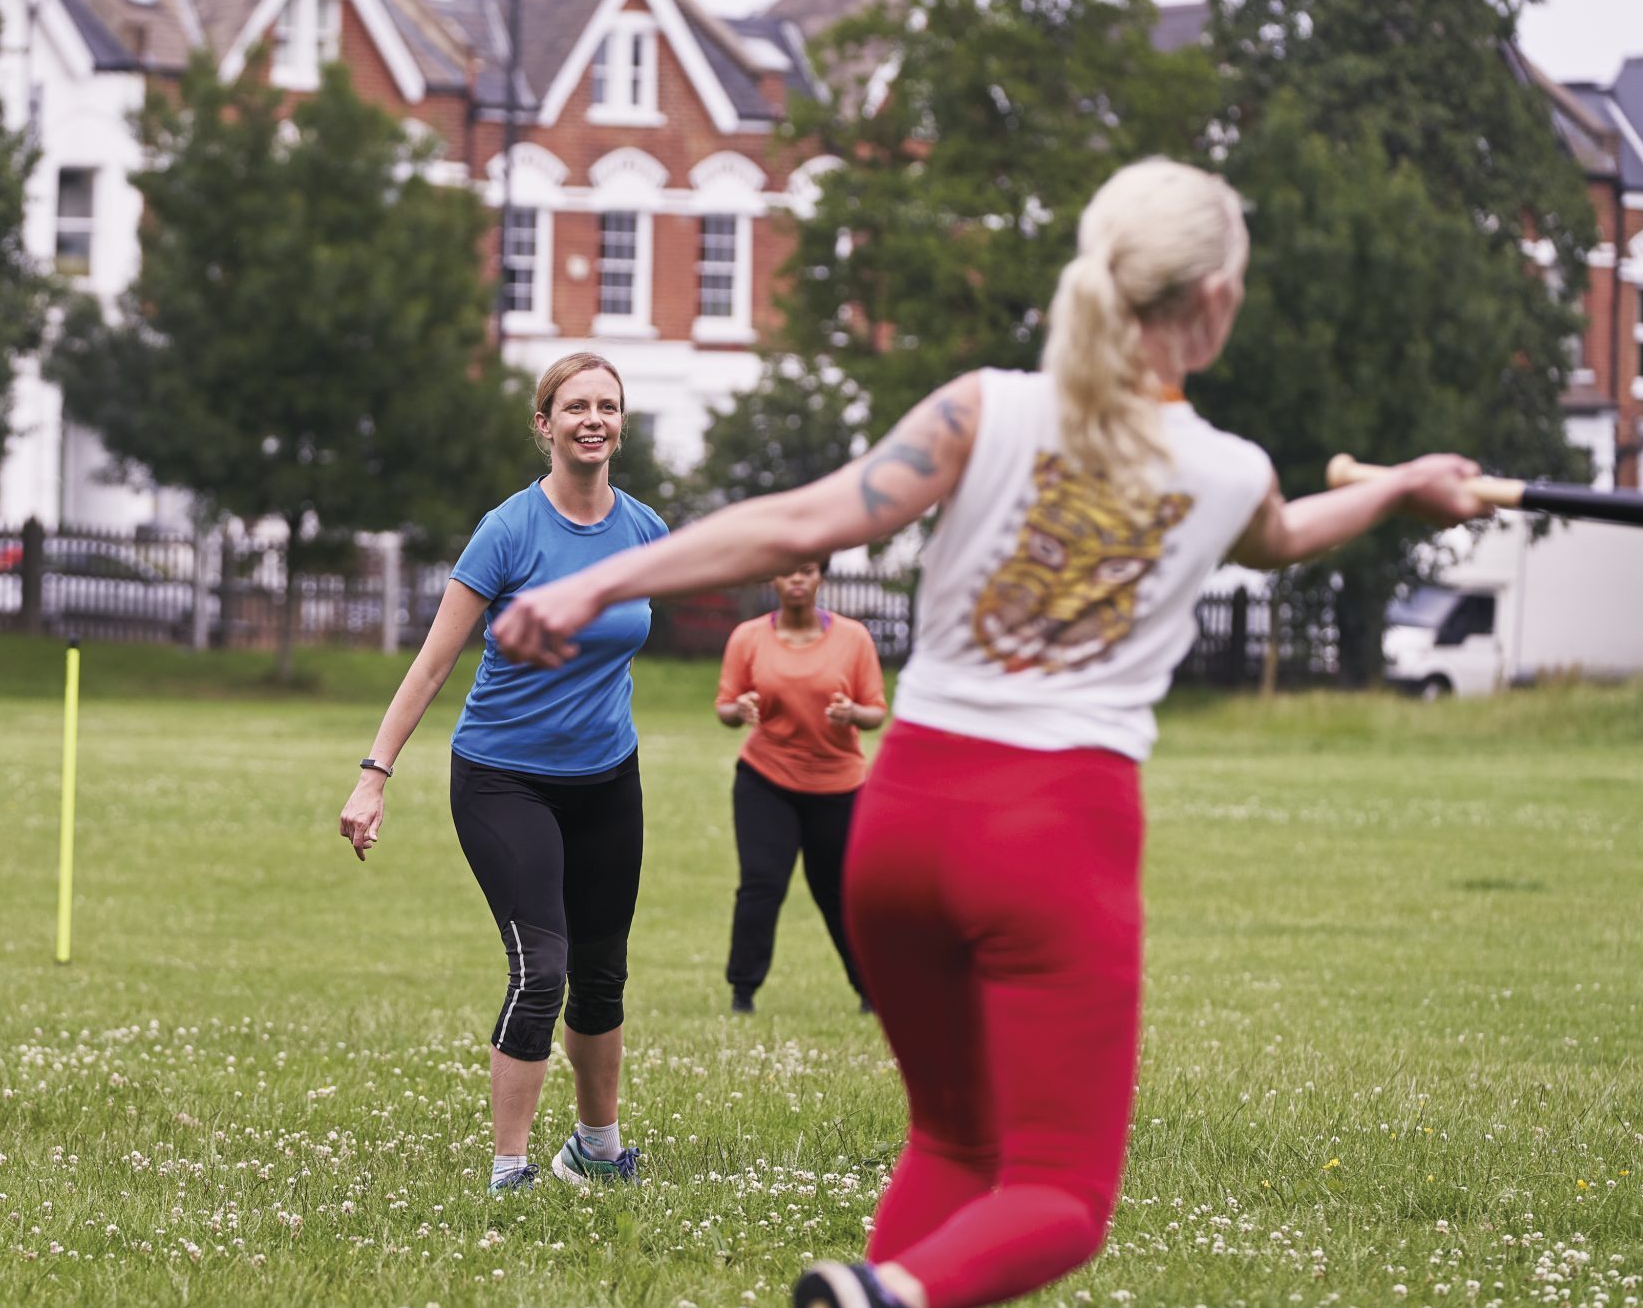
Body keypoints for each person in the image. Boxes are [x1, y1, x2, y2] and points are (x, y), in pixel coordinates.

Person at [489, 158, 1486, 1308]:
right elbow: (1289, 535)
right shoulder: (1227, 469)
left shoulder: (982, 407)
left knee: (953, 1147)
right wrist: (1406, 486)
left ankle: (884, 1287)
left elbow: (798, 520)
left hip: (903, 827)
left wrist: (586, 585)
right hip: (1056, 836)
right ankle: (883, 1299)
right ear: (1211, 302)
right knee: (1058, 1195)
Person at [337, 353, 669, 1192]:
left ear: (620, 423)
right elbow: (431, 664)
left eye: (607, 406)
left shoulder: (646, 532)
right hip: (502, 777)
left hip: (606, 780)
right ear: (544, 423)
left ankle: (597, 1147)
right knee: (542, 968)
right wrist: (374, 773)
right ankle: (510, 1169)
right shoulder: (509, 529)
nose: (592, 418)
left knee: (602, 972)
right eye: (575, 406)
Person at [714, 555, 886, 1014]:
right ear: (774, 576)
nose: (796, 579)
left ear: (819, 577)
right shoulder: (748, 637)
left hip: (838, 785)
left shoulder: (853, 638)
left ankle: (871, 992)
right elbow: (725, 708)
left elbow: (876, 712)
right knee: (762, 884)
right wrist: (742, 707)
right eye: (788, 569)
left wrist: (852, 713)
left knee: (838, 891)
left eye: (806, 571)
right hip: (766, 779)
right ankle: (742, 993)